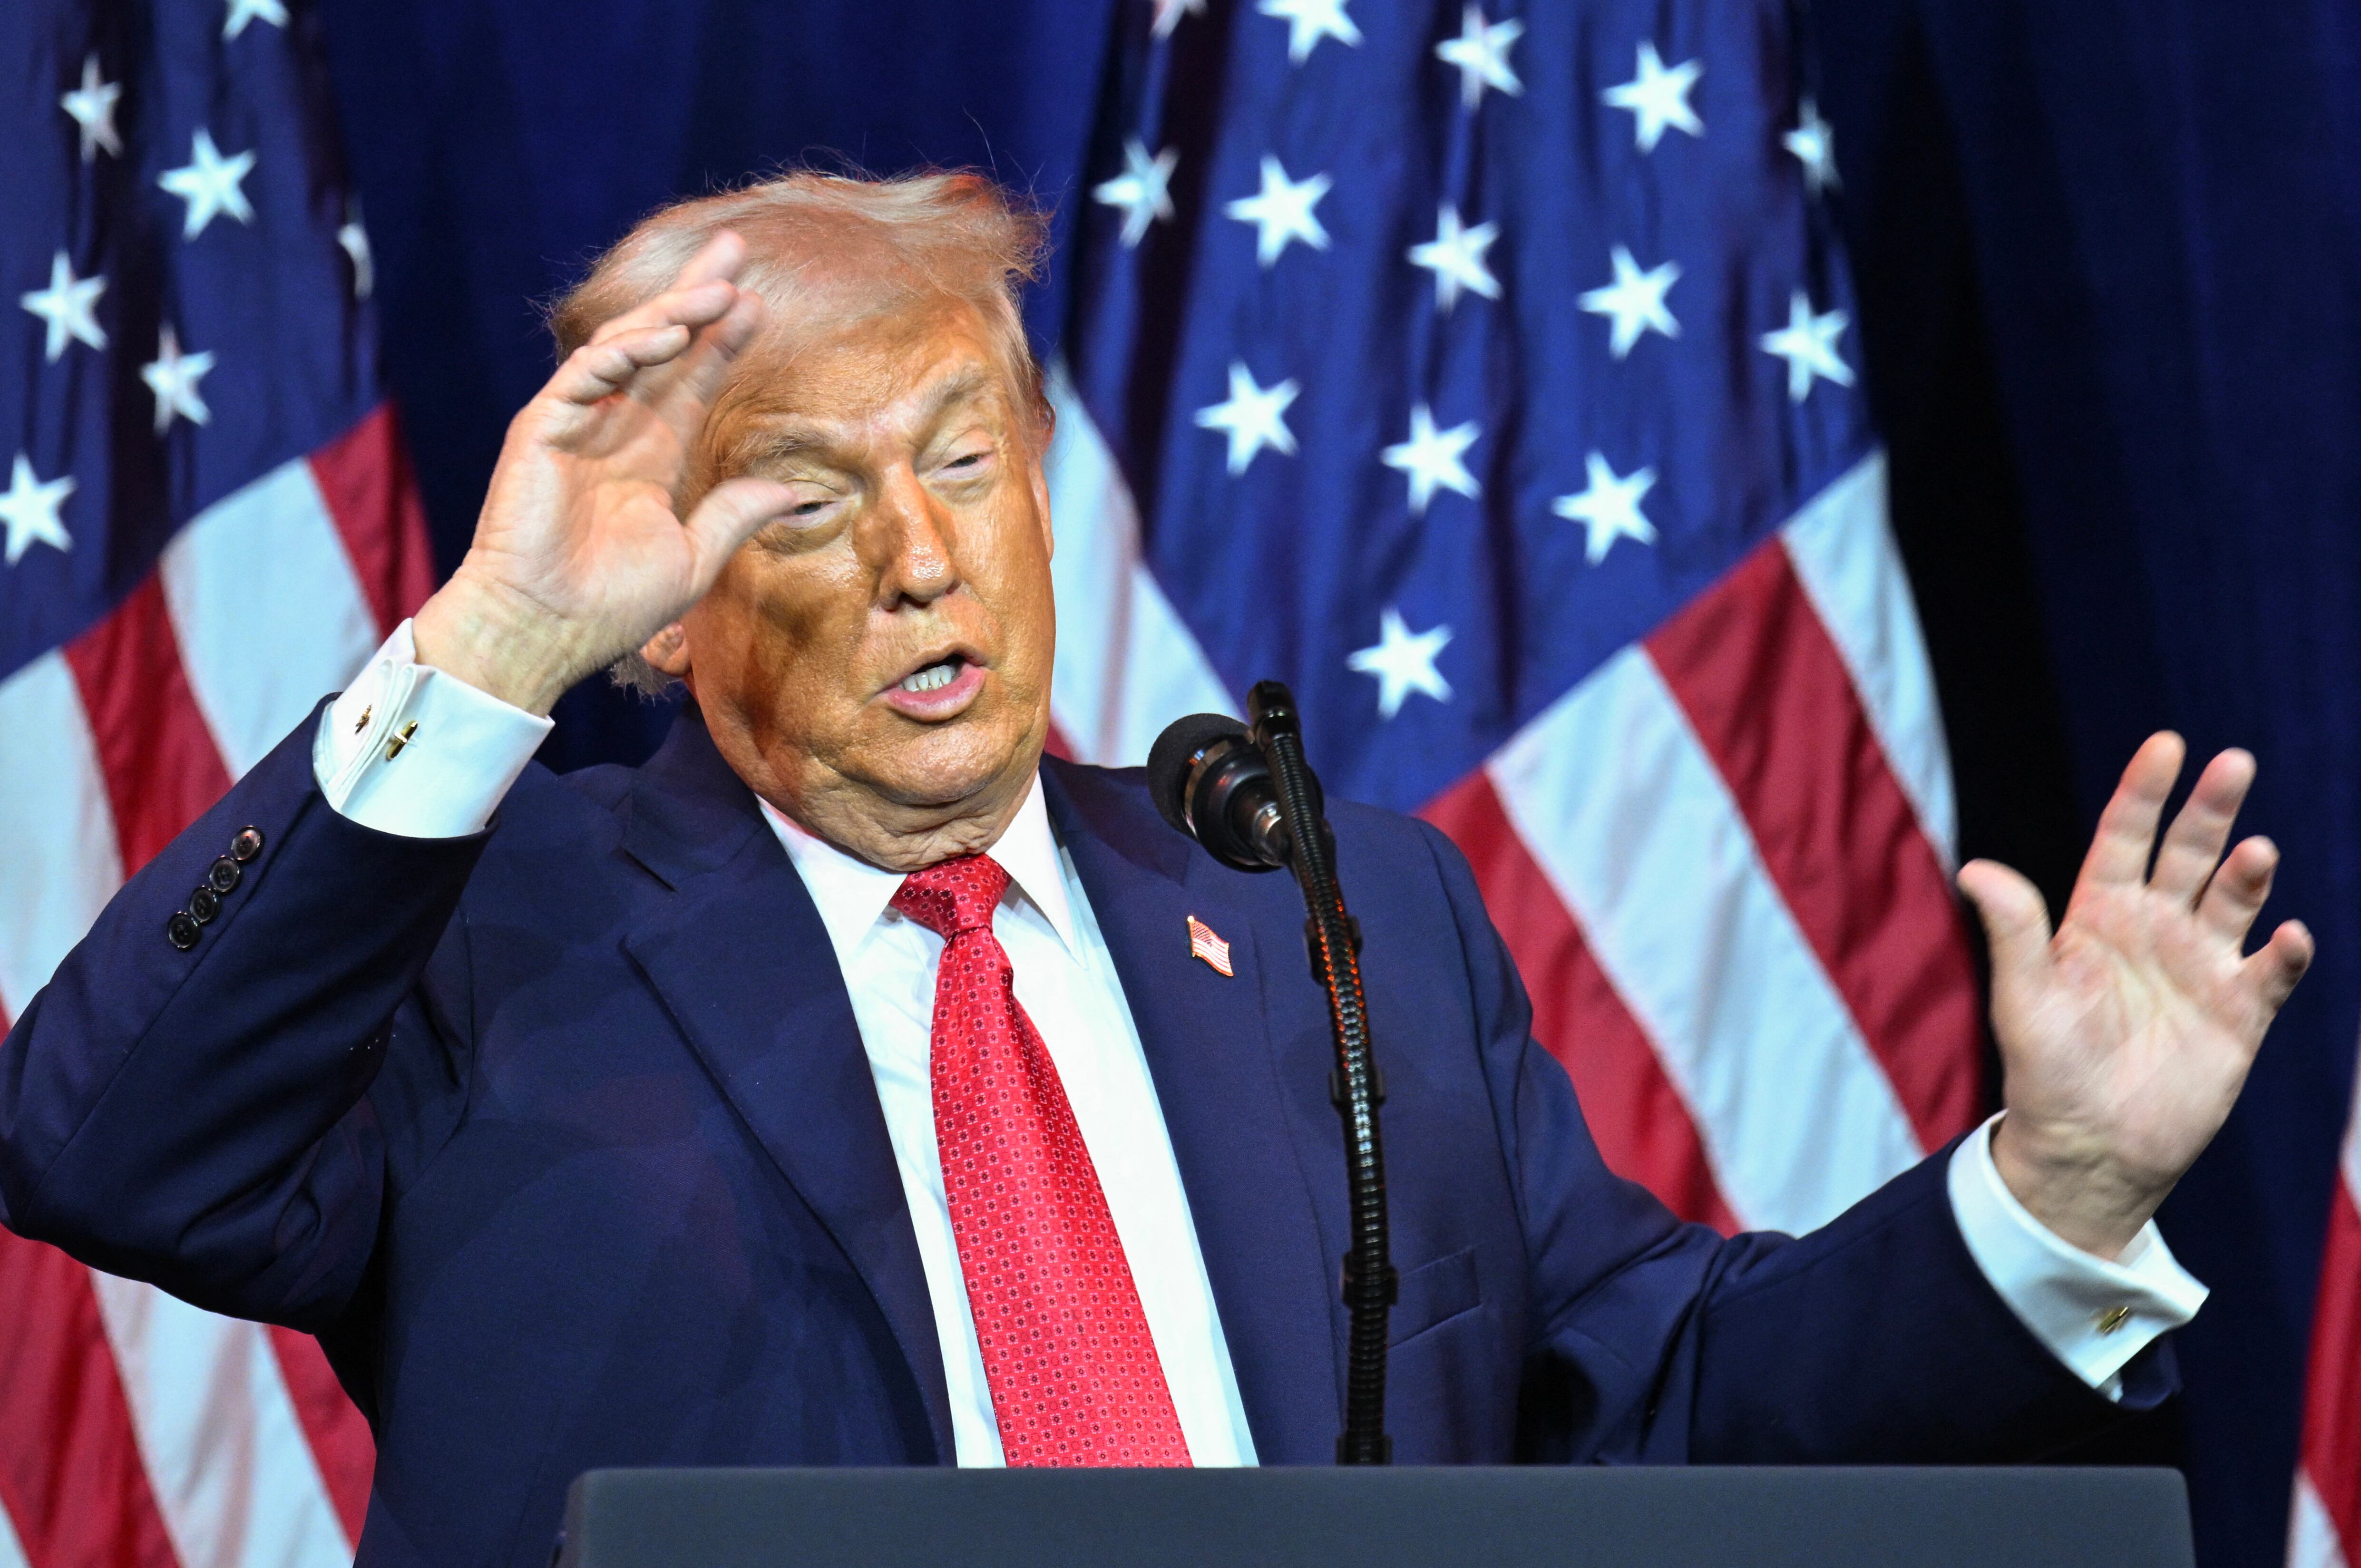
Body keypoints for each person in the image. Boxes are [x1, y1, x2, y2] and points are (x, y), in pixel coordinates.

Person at [0, 172, 2312, 1568]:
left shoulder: (1343, 921)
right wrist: (491, 639)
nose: (917, 558)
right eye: (802, 501)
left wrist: (2053, 1188)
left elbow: (1660, 1402)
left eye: (963, 458)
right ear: (668, 602)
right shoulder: (480, 934)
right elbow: (110, 1146)